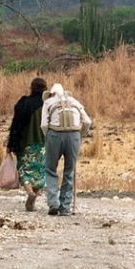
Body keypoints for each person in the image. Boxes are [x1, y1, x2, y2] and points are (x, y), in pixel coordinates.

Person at [41, 83, 92, 216]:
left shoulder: (48, 103)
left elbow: (44, 125)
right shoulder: (75, 101)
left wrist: (49, 137)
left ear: (51, 94)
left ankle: (53, 203)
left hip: (54, 135)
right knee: (69, 170)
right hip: (74, 135)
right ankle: (65, 207)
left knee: (50, 169)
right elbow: (87, 122)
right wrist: (79, 135)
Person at [7, 77, 48, 211]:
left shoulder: (23, 103)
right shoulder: (47, 105)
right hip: (42, 144)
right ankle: (33, 198)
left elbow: (15, 125)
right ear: (44, 89)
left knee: (24, 170)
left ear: (31, 88)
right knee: (40, 172)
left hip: (24, 143)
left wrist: (10, 144)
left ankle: (29, 191)